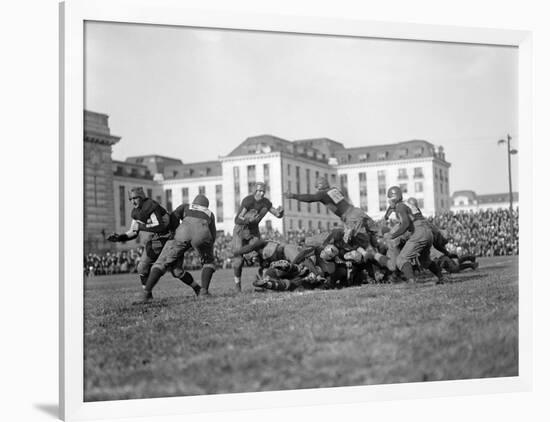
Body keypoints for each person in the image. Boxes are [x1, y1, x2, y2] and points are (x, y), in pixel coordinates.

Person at [136, 194, 217, 303]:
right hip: (202, 232)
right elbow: (213, 234)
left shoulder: (186, 206)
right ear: (206, 206)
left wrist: (173, 234)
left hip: (182, 232)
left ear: (194, 202)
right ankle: (204, 292)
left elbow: (174, 217)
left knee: (161, 263)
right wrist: (207, 249)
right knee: (208, 263)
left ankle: (146, 293)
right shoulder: (210, 214)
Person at [379, 186, 447, 285]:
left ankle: (412, 281)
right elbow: (391, 209)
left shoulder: (400, 207)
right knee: (425, 260)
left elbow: (405, 224)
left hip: (418, 232)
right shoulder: (406, 204)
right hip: (427, 231)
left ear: (394, 198)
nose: (389, 202)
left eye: (389, 199)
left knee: (401, 259)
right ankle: (442, 277)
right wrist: (386, 217)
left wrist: (393, 235)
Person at [107, 187, 172, 288]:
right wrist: (120, 238)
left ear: (141, 197)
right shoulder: (136, 212)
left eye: (135, 198)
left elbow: (160, 226)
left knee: (177, 271)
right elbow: (133, 232)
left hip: (170, 235)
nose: (132, 202)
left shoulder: (150, 205)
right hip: (159, 237)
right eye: (130, 199)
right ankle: (147, 294)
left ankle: (199, 289)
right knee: (141, 268)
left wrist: (141, 226)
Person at [285, 177, 376, 247]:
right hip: (357, 211)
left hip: (351, 217)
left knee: (360, 243)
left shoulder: (322, 193)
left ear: (319, 186)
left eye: (316, 188)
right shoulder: (334, 189)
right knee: (377, 232)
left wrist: (293, 196)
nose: (316, 191)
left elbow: (310, 198)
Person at [232, 182, 284, 292]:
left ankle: (265, 280)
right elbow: (237, 219)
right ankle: (237, 285)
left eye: (263, 191)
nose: (261, 193)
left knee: (263, 253)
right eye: (259, 191)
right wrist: (248, 219)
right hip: (240, 230)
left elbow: (276, 213)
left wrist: (280, 213)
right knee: (238, 260)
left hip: (254, 231)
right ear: (255, 191)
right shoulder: (248, 201)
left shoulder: (266, 202)